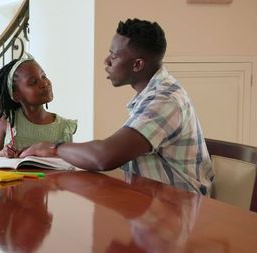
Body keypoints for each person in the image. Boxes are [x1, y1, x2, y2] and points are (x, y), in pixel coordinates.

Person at [20, 18, 214, 195]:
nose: (107, 61)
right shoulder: (152, 93)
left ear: (137, 65)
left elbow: (104, 156)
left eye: (114, 56)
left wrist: (55, 148)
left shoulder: (165, 100)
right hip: (150, 202)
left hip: (180, 208)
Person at [0, 54, 77, 158]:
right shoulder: (7, 121)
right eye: (33, 82)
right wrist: (2, 153)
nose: (44, 83)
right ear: (16, 94)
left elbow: (70, 166)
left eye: (44, 76)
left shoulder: (64, 127)